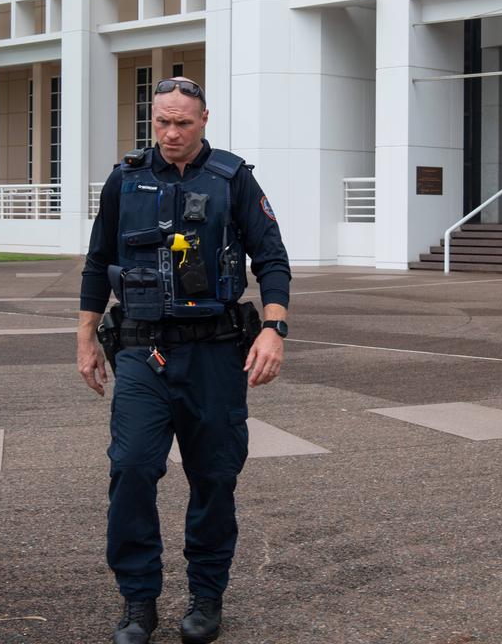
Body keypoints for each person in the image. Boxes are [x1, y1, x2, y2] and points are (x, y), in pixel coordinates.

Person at [77, 77, 291, 644]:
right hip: (143, 350)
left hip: (216, 354)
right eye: (162, 123)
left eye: (183, 123)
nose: (171, 133)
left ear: (204, 121)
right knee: (131, 468)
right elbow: (98, 263)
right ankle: (138, 600)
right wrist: (84, 339)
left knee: (215, 478)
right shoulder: (125, 180)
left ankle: (206, 595)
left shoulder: (233, 179)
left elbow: (272, 260)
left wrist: (273, 329)